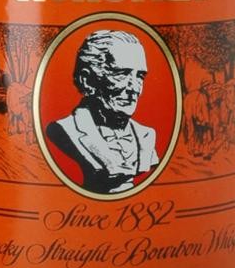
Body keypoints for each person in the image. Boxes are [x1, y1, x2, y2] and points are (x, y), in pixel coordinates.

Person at [46, 29, 158, 194]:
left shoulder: (146, 135)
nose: (134, 88)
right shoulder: (65, 129)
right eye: (121, 74)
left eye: (140, 76)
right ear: (87, 80)